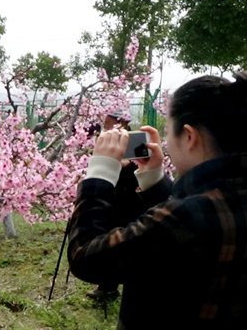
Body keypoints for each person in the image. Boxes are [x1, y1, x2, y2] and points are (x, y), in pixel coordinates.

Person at [68, 72, 247, 329]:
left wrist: (100, 173)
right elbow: (187, 228)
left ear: (189, 136)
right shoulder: (204, 209)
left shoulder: (185, 217)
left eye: (167, 130)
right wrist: (155, 181)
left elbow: (86, 257)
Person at [84, 112, 145, 301]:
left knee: (120, 241)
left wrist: (124, 165)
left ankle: (111, 287)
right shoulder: (107, 142)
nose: (106, 127)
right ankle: (107, 287)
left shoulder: (134, 143)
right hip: (112, 195)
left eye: (109, 124)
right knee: (110, 238)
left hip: (128, 199)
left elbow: (138, 168)